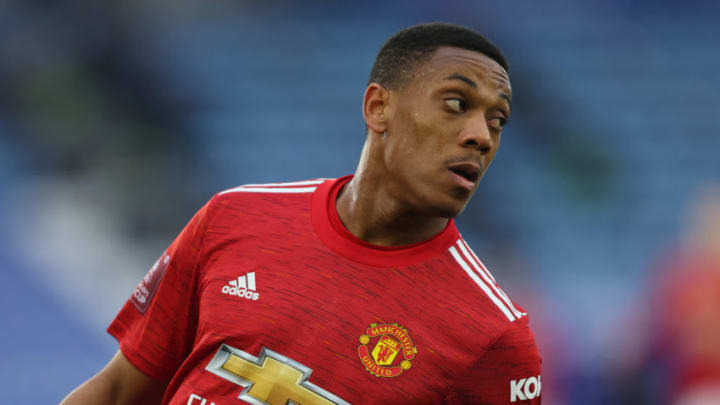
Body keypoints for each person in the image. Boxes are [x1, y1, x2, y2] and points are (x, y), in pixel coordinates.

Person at [61, 22, 542, 405]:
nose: (481, 135)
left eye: (497, 120)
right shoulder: (235, 217)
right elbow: (120, 391)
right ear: (379, 108)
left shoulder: (493, 337)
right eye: (456, 104)